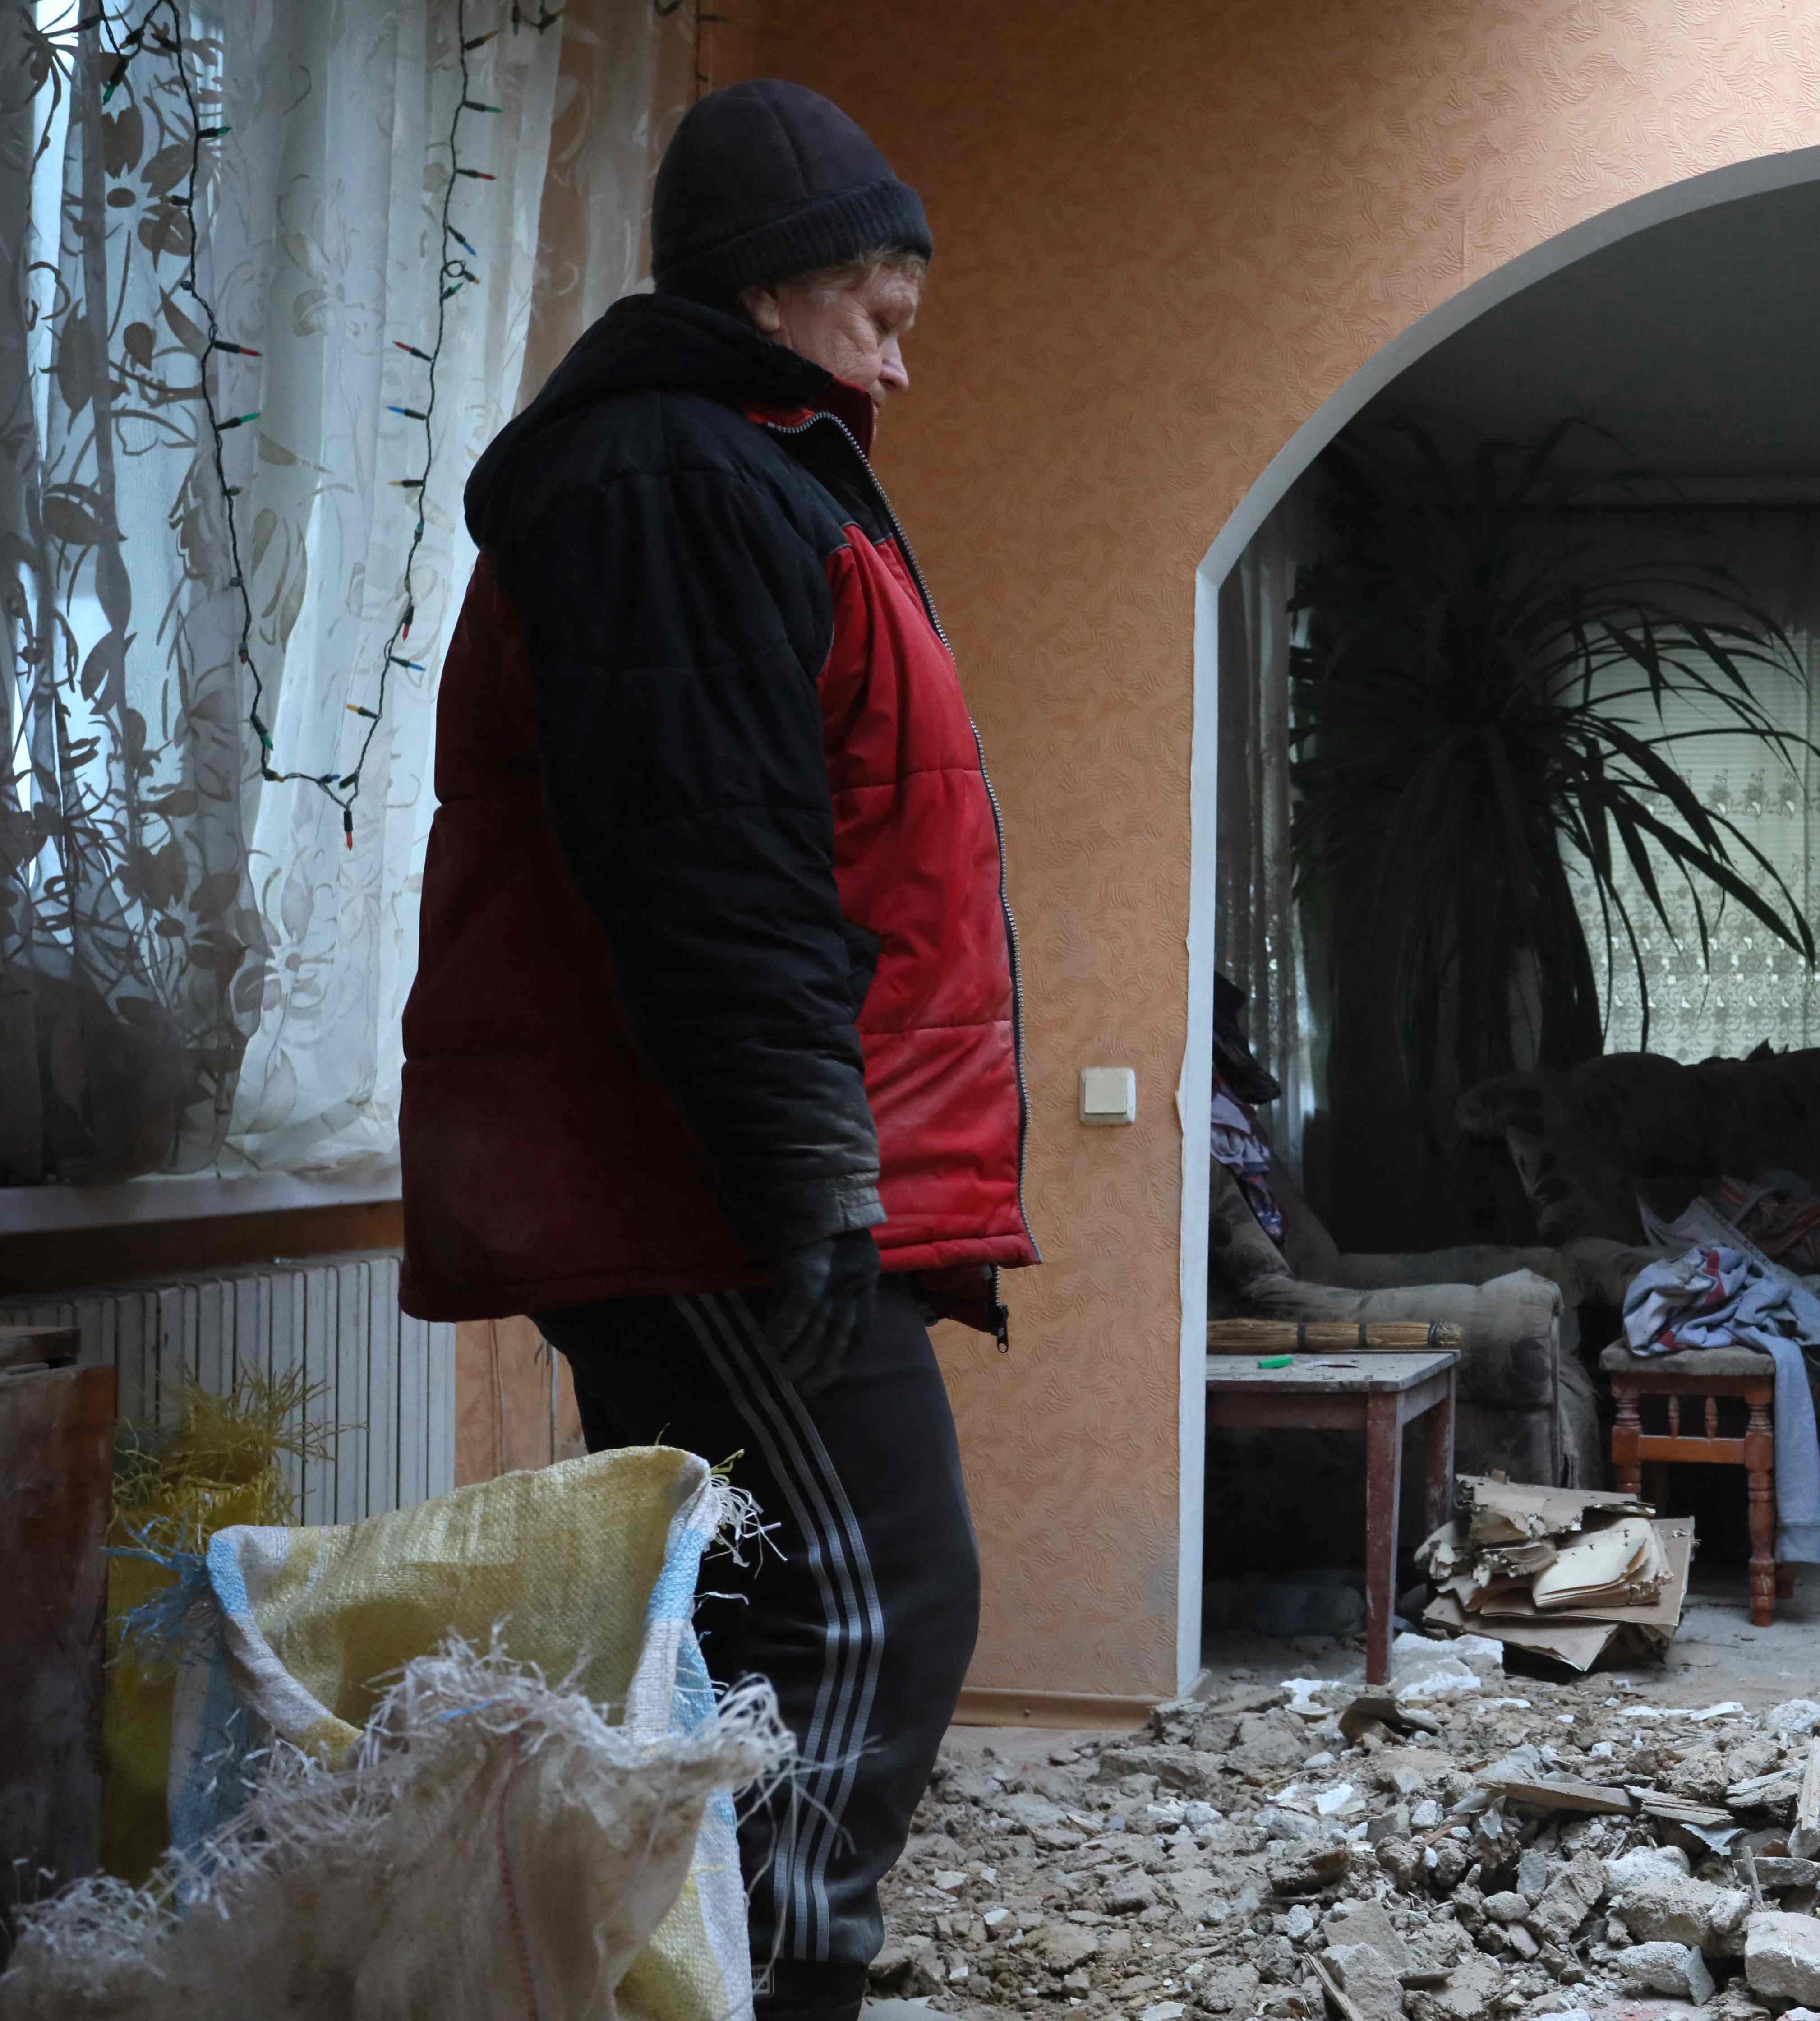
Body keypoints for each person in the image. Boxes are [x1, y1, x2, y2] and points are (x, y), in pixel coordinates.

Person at [399, 79, 1033, 2021]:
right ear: (777, 290)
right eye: (884, 317)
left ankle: (707, 1982)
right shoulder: (674, 477)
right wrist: (810, 1182)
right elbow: (711, 870)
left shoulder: (730, 461)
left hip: (719, 1174)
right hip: (713, 1189)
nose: (900, 369)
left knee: (757, 1626)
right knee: (877, 1607)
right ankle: (777, 1996)